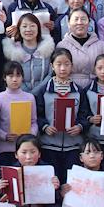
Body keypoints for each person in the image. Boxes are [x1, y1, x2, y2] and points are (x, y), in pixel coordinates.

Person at [33, 48, 85, 180]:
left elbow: (85, 114)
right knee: (52, 182)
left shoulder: (79, 91)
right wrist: (45, 127)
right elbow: (36, 115)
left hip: (73, 146)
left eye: (67, 64)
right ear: (52, 66)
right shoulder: (44, 91)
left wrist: (80, 126)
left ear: (72, 66)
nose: (63, 68)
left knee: (70, 183)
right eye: (59, 64)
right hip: (49, 145)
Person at [0, 61, 38, 172]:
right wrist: (4, 136)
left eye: (18, 75)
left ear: (22, 77)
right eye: (11, 76)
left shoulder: (30, 97)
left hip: (26, 149)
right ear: (4, 78)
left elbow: (34, 121)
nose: (15, 79)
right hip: (5, 148)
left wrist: (30, 134)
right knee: (8, 177)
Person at [56, 8, 104, 88]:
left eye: (83, 19)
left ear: (89, 23)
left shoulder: (100, 45)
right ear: (69, 23)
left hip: (95, 88)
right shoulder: (62, 45)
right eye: (76, 19)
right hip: (69, 88)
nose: (79, 23)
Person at [2, 12, 55, 92]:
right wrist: (26, 94)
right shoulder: (12, 51)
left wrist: (37, 92)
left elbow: (50, 74)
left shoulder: (48, 49)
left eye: (32, 26)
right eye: (24, 26)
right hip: (20, 95)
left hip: (43, 94)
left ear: (38, 28)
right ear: (19, 29)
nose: (28, 29)